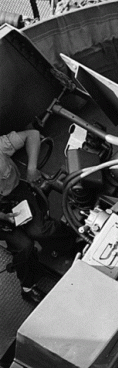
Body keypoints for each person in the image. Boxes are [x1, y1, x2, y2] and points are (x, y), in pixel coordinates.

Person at [0, 129, 75, 304]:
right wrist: (4, 217)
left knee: (40, 230)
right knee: (24, 246)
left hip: (16, 193)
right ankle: (28, 287)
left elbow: (32, 135)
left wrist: (32, 168)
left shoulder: (1, 145)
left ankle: (72, 241)